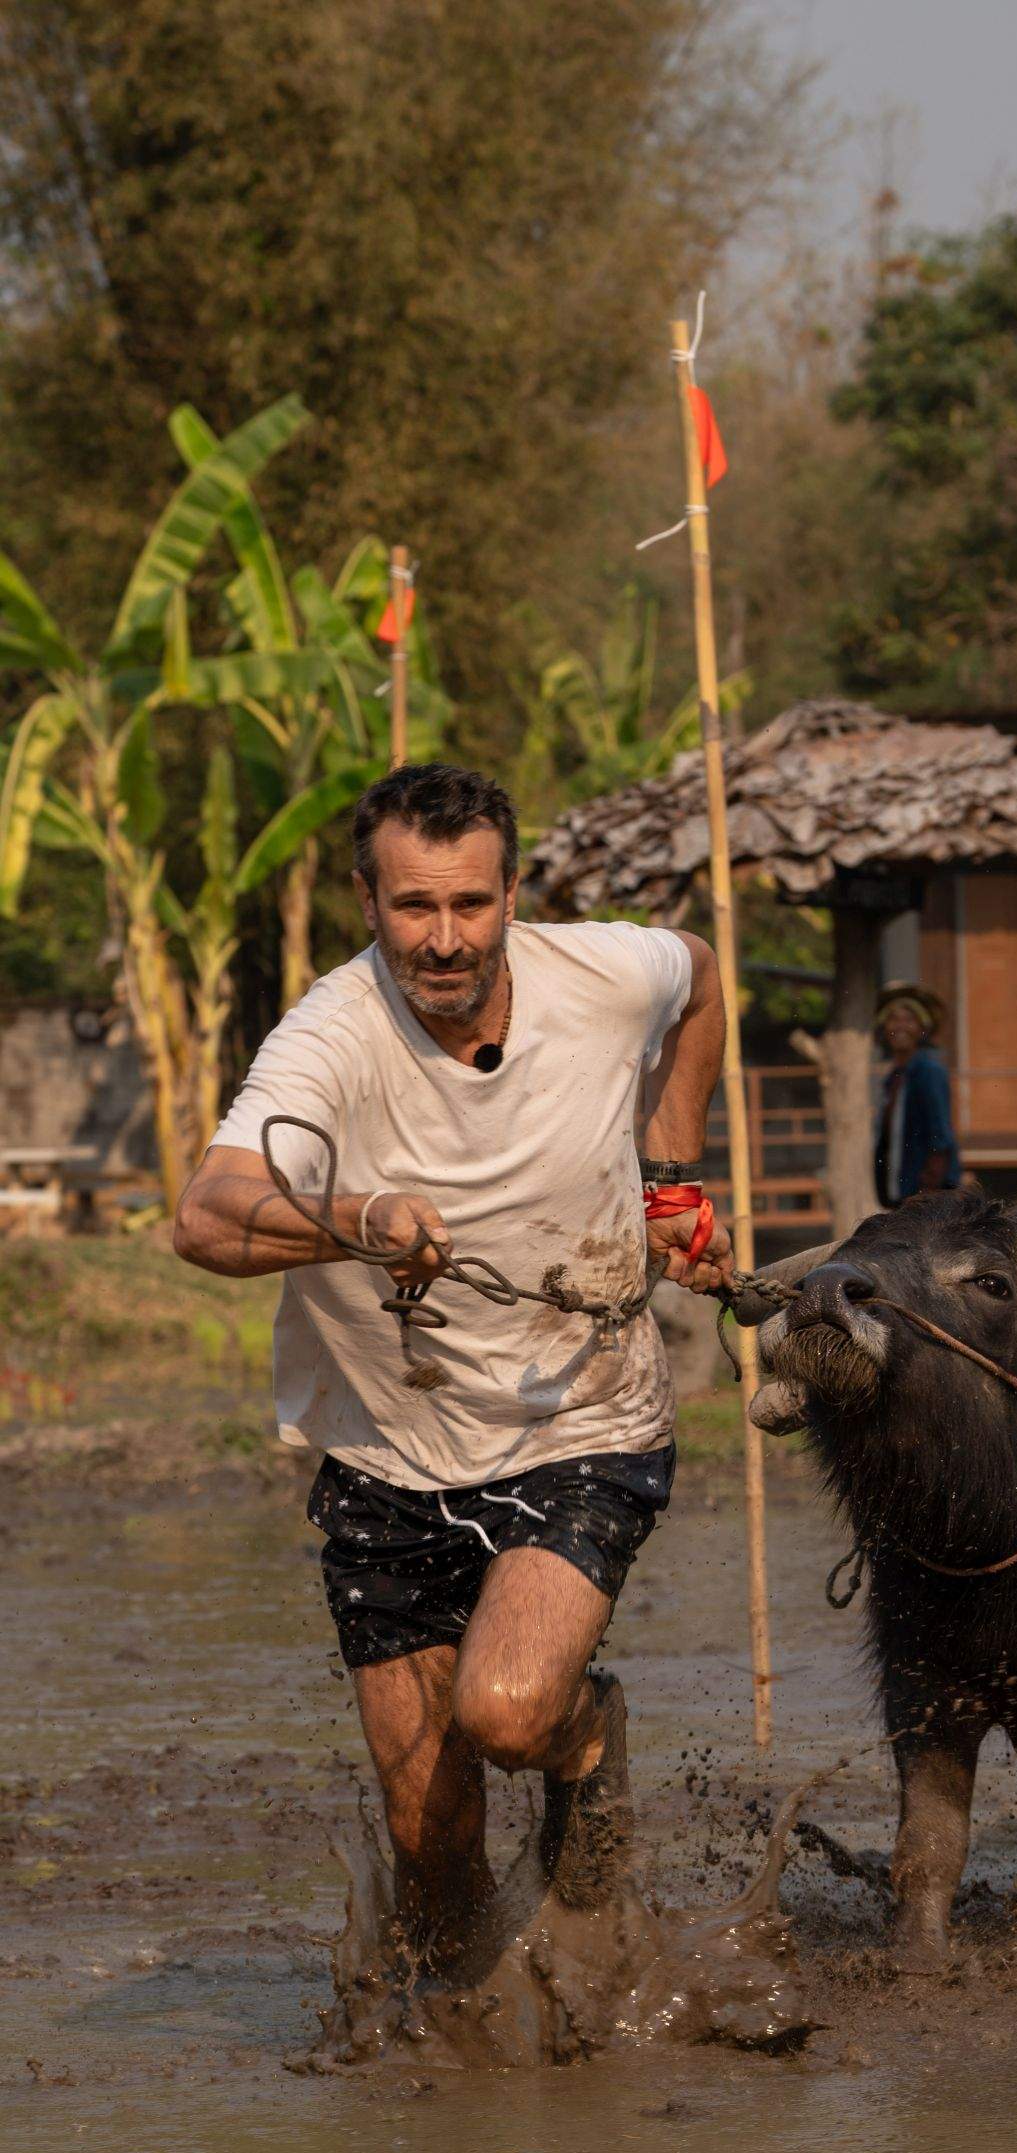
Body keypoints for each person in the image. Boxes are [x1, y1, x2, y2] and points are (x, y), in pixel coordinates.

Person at [173, 761, 735, 1952]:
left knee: (511, 1710)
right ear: (369, 906)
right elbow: (208, 1217)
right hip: (388, 1447)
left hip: (580, 1412)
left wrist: (672, 1180)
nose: (444, 939)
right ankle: (476, 2042)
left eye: (470, 905)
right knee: (428, 1837)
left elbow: (700, 976)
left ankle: (587, 1740)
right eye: (414, 907)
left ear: (511, 893)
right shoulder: (331, 1032)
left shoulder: (605, 973)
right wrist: (360, 1219)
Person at [873, 983, 960, 1206]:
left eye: (909, 1020)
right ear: (884, 1028)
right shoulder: (893, 1079)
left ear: (922, 1029)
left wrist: (927, 1190)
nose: (900, 1026)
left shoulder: (929, 1072)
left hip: (926, 1196)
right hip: (902, 1194)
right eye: (893, 1019)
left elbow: (940, 1137)